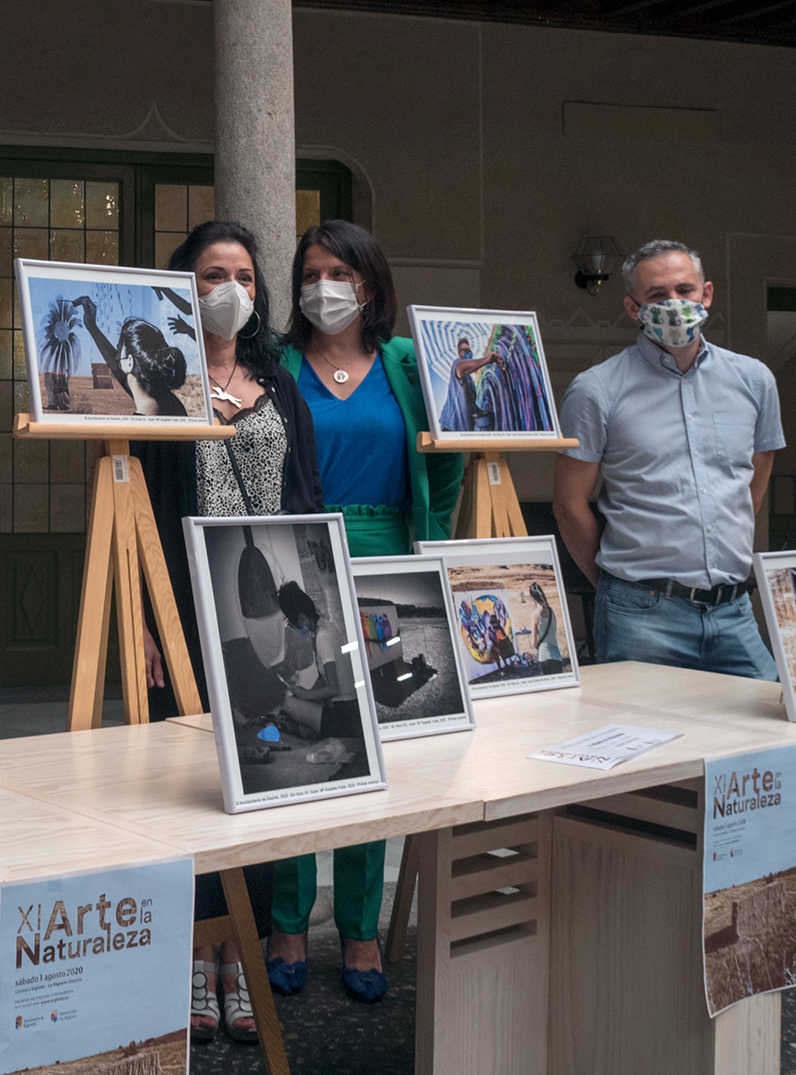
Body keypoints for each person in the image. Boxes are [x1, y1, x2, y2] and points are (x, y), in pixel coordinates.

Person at [555, 238, 796, 1000]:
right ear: (632, 307)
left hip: (734, 615)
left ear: (707, 294)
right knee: (642, 779)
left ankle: (785, 932)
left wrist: (716, 568)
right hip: (641, 614)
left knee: (772, 768)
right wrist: (621, 585)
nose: (673, 305)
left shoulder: (753, 379)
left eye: (685, 290)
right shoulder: (596, 391)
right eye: (655, 296)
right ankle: (638, 940)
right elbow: (574, 503)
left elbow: (753, 481)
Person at [132, 220, 321, 1045]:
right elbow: (129, 502)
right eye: (212, 273)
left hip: (274, 614)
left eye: (243, 273)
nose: (229, 289)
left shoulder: (279, 383)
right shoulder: (158, 385)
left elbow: (307, 493)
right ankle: (193, 958)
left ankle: (240, 959)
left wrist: (318, 608)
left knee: (266, 774)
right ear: (184, 285)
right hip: (184, 611)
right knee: (188, 786)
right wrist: (140, 618)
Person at [274, 219, 464, 1005]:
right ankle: (288, 919)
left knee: (371, 745)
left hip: (385, 557)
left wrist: (433, 550)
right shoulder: (275, 364)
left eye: (341, 273)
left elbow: (444, 462)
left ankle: (358, 926)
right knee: (294, 737)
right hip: (299, 565)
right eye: (313, 272)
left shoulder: (406, 364)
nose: (326, 286)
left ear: (371, 286)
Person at [72, 296, 191, 416]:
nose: (116, 356)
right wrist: (92, 327)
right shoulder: (170, 403)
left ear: (130, 362)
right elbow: (124, 372)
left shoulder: (140, 423)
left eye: (118, 350)